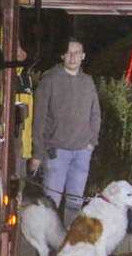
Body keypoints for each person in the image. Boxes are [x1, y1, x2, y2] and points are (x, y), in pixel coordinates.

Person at [29, 38, 101, 227]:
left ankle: (71, 245)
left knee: (75, 203)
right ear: (62, 55)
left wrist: (91, 142)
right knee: (50, 203)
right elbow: (39, 118)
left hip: (82, 152)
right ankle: (46, 250)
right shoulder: (50, 80)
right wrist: (38, 152)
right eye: (69, 53)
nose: (73, 57)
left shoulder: (87, 82)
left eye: (77, 53)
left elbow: (96, 114)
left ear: (83, 56)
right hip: (56, 151)